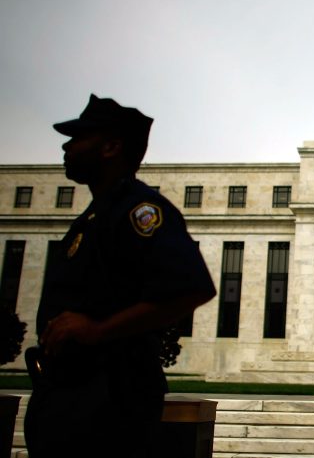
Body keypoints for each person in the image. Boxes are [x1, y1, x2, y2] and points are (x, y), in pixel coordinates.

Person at [24, 94, 217, 458]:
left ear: (111, 147)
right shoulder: (96, 215)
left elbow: (192, 286)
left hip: (106, 398)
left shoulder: (138, 209)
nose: (67, 146)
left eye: (79, 137)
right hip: (71, 392)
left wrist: (98, 330)